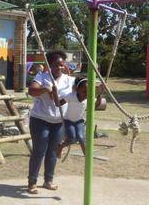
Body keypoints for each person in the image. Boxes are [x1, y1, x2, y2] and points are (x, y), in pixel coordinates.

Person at [27, 50, 75, 194]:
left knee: (53, 152)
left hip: (58, 122)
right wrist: (45, 89)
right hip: (40, 120)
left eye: (62, 65)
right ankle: (32, 182)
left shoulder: (69, 80)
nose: (59, 68)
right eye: (56, 65)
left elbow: (80, 88)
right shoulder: (42, 76)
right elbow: (32, 90)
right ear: (49, 65)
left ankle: (48, 180)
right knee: (39, 151)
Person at [56, 77, 103, 158]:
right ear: (77, 90)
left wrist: (99, 94)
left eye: (88, 92)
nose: (86, 94)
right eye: (84, 92)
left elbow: (97, 105)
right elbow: (59, 103)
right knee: (72, 138)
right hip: (68, 121)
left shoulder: (89, 98)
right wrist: (54, 94)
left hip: (79, 121)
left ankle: (87, 156)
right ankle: (60, 146)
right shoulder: (71, 96)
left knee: (81, 137)